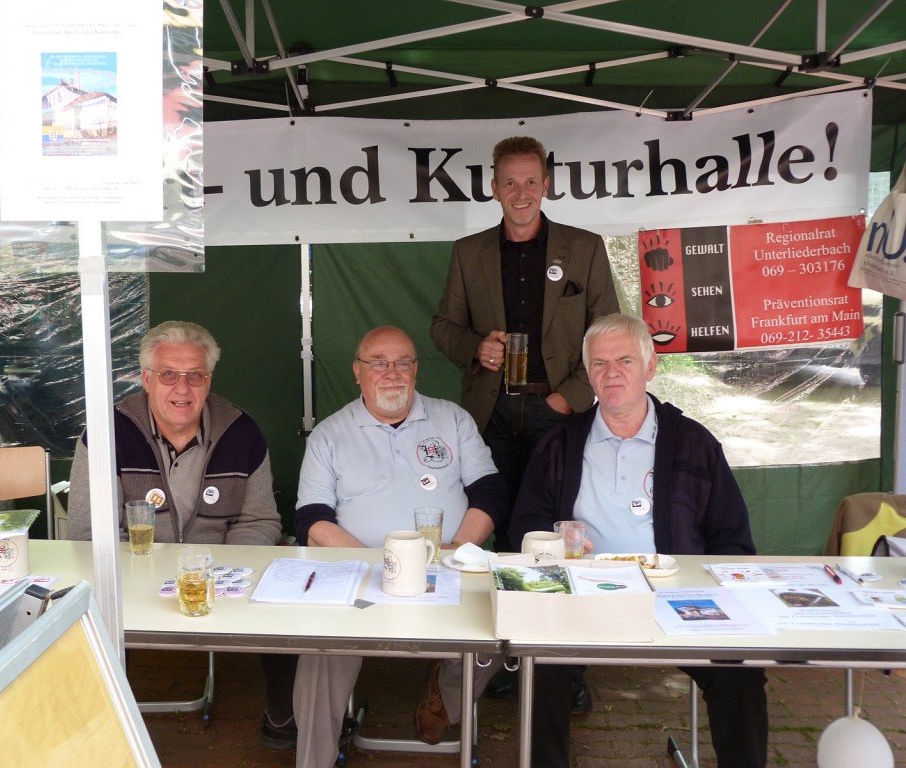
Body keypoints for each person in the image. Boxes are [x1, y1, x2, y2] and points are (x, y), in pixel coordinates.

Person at [508, 313, 769, 768]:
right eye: (600, 363)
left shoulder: (693, 443)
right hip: (580, 598)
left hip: (677, 598)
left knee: (740, 672)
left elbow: (733, 541)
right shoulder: (559, 445)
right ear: (587, 373)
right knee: (538, 663)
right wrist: (552, 540)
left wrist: (707, 595)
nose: (612, 373)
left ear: (650, 367)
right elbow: (523, 528)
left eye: (625, 360)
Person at [431, 134, 618, 709]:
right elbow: (444, 327)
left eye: (530, 181)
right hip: (491, 410)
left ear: (547, 185)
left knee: (561, 532)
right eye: (509, 182)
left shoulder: (583, 248)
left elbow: (608, 329)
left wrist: (571, 396)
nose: (520, 192)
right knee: (502, 530)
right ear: (493, 187)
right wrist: (475, 350)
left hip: (556, 409)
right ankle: (509, 656)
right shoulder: (469, 252)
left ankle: (569, 672)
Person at [66, 320, 299, 750]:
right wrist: (140, 573)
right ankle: (100, 725)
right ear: (146, 380)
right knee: (91, 611)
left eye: (195, 375)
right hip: (131, 576)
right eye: (169, 374)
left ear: (208, 381)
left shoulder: (242, 432)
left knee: (283, 601)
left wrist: (224, 572)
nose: (182, 388)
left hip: (220, 574)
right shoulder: (106, 433)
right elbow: (86, 529)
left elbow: (261, 521)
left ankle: (282, 714)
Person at [293, 325, 507, 768]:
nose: (391, 373)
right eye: (378, 363)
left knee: (498, 632)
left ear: (416, 369)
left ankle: (446, 696)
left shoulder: (453, 419)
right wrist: (377, 565)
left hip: (444, 568)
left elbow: (490, 494)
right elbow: (311, 521)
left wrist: (455, 550)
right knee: (318, 652)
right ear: (357, 372)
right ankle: (313, 761)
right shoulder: (329, 435)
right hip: (359, 575)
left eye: (403, 362)